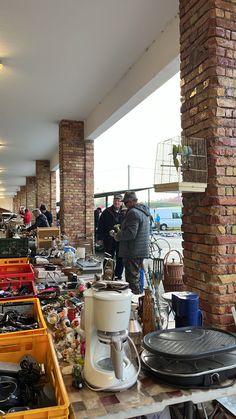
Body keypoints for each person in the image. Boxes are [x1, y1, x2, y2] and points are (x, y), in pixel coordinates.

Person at [112, 191, 150, 294]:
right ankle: (138, 302)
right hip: (139, 250)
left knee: (132, 280)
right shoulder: (143, 212)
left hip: (132, 251)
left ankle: (135, 304)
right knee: (136, 278)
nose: (125, 205)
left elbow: (130, 233)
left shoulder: (133, 212)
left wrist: (117, 236)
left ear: (131, 201)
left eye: (125, 202)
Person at [97, 194, 124, 279]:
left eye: (118, 201)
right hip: (109, 239)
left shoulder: (124, 212)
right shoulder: (106, 212)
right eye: (115, 200)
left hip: (120, 239)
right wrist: (100, 238)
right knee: (108, 257)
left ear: (121, 202)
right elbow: (100, 225)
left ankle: (118, 275)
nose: (117, 202)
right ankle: (107, 274)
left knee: (120, 257)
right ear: (113, 201)